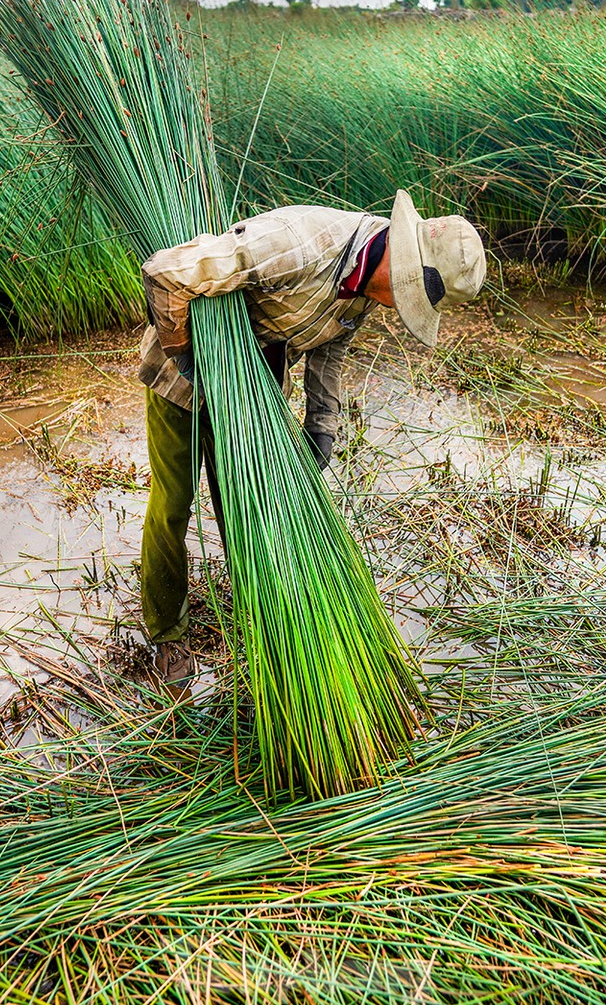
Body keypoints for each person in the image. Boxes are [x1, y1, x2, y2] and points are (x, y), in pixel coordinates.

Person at [136, 190, 487, 682]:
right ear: (405, 263)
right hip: (182, 379)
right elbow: (167, 271)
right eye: (413, 295)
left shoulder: (366, 285)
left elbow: (331, 352)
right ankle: (166, 634)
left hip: (253, 395)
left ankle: (262, 619)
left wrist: (322, 428)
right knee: (173, 505)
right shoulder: (302, 243)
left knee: (247, 509)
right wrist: (188, 357)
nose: (402, 307)